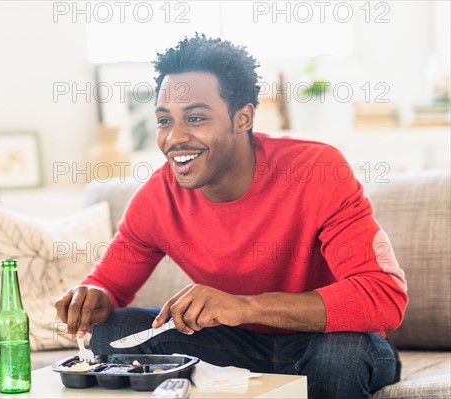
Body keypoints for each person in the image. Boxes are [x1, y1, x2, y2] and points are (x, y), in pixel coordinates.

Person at [55, 34, 407, 398]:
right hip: (235, 348)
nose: (174, 137)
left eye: (195, 117)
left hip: (330, 343)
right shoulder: (156, 199)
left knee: (340, 354)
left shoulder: (316, 170)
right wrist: (92, 295)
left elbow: (384, 296)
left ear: (242, 118)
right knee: (112, 330)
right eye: (164, 120)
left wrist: (245, 307)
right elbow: (108, 287)